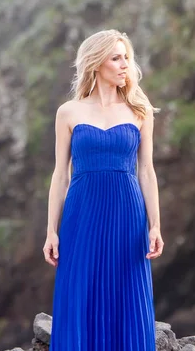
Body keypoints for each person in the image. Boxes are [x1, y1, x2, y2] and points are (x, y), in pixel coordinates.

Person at [42, 29, 164, 350]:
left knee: (128, 294)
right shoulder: (69, 112)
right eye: (116, 58)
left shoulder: (140, 110)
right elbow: (60, 175)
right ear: (97, 63)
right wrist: (51, 231)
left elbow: (147, 172)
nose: (125, 65)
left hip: (128, 214)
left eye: (127, 57)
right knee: (80, 291)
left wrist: (155, 225)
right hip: (81, 215)